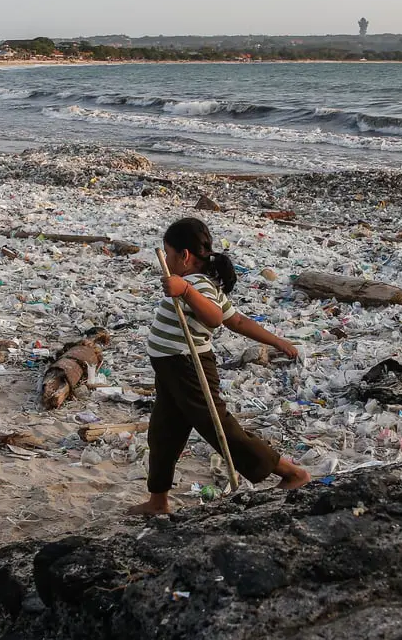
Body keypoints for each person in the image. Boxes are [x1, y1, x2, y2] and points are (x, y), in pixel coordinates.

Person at [128, 217, 310, 515]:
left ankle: (292, 473)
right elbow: (237, 320)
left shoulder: (195, 284)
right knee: (163, 434)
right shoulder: (200, 284)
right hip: (170, 371)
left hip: (188, 367)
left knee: (220, 429)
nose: (168, 261)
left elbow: (214, 318)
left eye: (169, 254)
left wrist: (184, 291)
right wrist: (277, 341)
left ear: (184, 256)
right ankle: (158, 501)